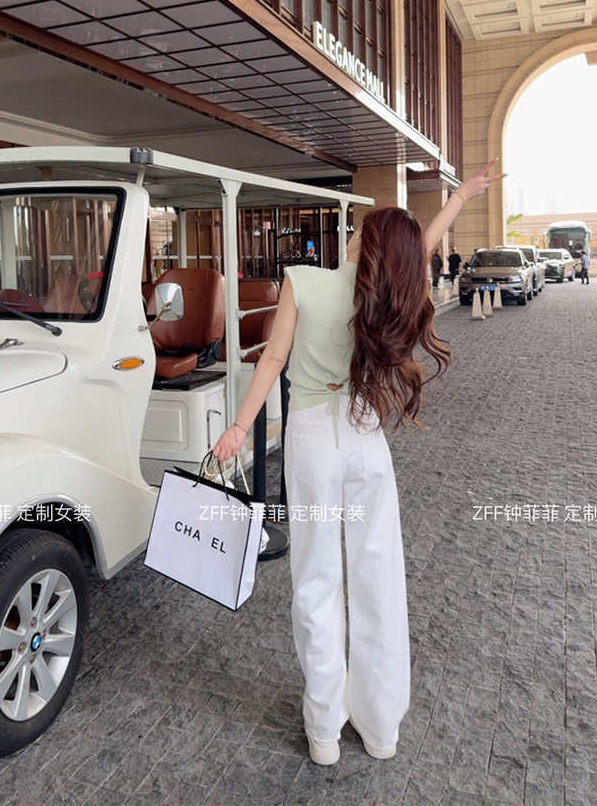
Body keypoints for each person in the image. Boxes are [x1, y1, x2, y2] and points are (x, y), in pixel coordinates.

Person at [212, 164, 499, 770]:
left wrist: (239, 427)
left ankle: (324, 731)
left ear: (363, 243)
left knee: (316, 580)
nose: (352, 231)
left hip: (312, 440)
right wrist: (458, 199)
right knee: (378, 578)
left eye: (359, 228)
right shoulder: (386, 293)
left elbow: (272, 361)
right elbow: (415, 250)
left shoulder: (303, 282)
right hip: (366, 436)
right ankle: (380, 727)